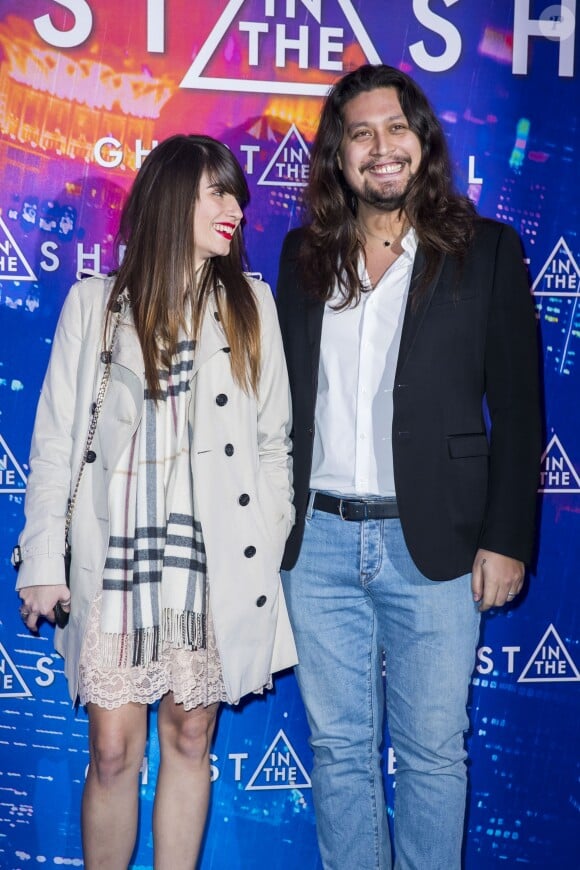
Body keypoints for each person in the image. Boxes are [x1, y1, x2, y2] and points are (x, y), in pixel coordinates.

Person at [275, 64, 541, 870]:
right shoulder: (303, 256)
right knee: (341, 753)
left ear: (423, 143)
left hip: (439, 546)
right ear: (339, 156)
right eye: (360, 134)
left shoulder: (487, 251)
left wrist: (508, 538)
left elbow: (522, 411)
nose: (380, 149)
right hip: (317, 547)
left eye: (396, 129)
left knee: (432, 754)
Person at [15, 134, 296, 869]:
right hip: (117, 560)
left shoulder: (251, 305)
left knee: (190, 736)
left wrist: (264, 540)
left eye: (237, 194)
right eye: (216, 192)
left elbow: (274, 446)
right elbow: (54, 447)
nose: (235, 208)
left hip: (212, 562)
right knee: (112, 752)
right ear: (171, 198)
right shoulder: (94, 306)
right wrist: (44, 558)